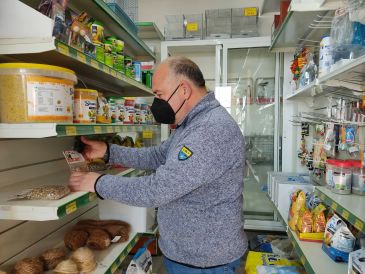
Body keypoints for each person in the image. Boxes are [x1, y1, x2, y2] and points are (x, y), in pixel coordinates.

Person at [69, 56, 247, 273]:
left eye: (159, 95)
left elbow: (157, 190)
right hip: (189, 254)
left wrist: (98, 183)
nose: (157, 103)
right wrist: (108, 152)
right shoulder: (191, 124)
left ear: (183, 90)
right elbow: (158, 156)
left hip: (204, 262)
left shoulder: (210, 130)